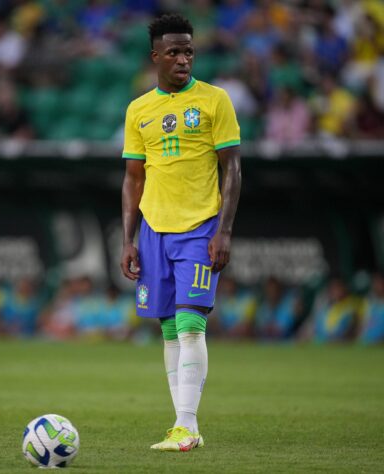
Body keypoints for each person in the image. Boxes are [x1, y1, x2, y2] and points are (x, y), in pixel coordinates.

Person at [120, 14, 241, 452]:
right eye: (173, 51)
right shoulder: (139, 110)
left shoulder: (215, 101)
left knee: (192, 326)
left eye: (188, 50)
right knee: (170, 330)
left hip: (199, 227)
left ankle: (187, 427)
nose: (183, 59)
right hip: (154, 230)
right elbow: (134, 179)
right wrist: (128, 239)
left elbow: (234, 169)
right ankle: (182, 424)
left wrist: (223, 230)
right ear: (155, 57)